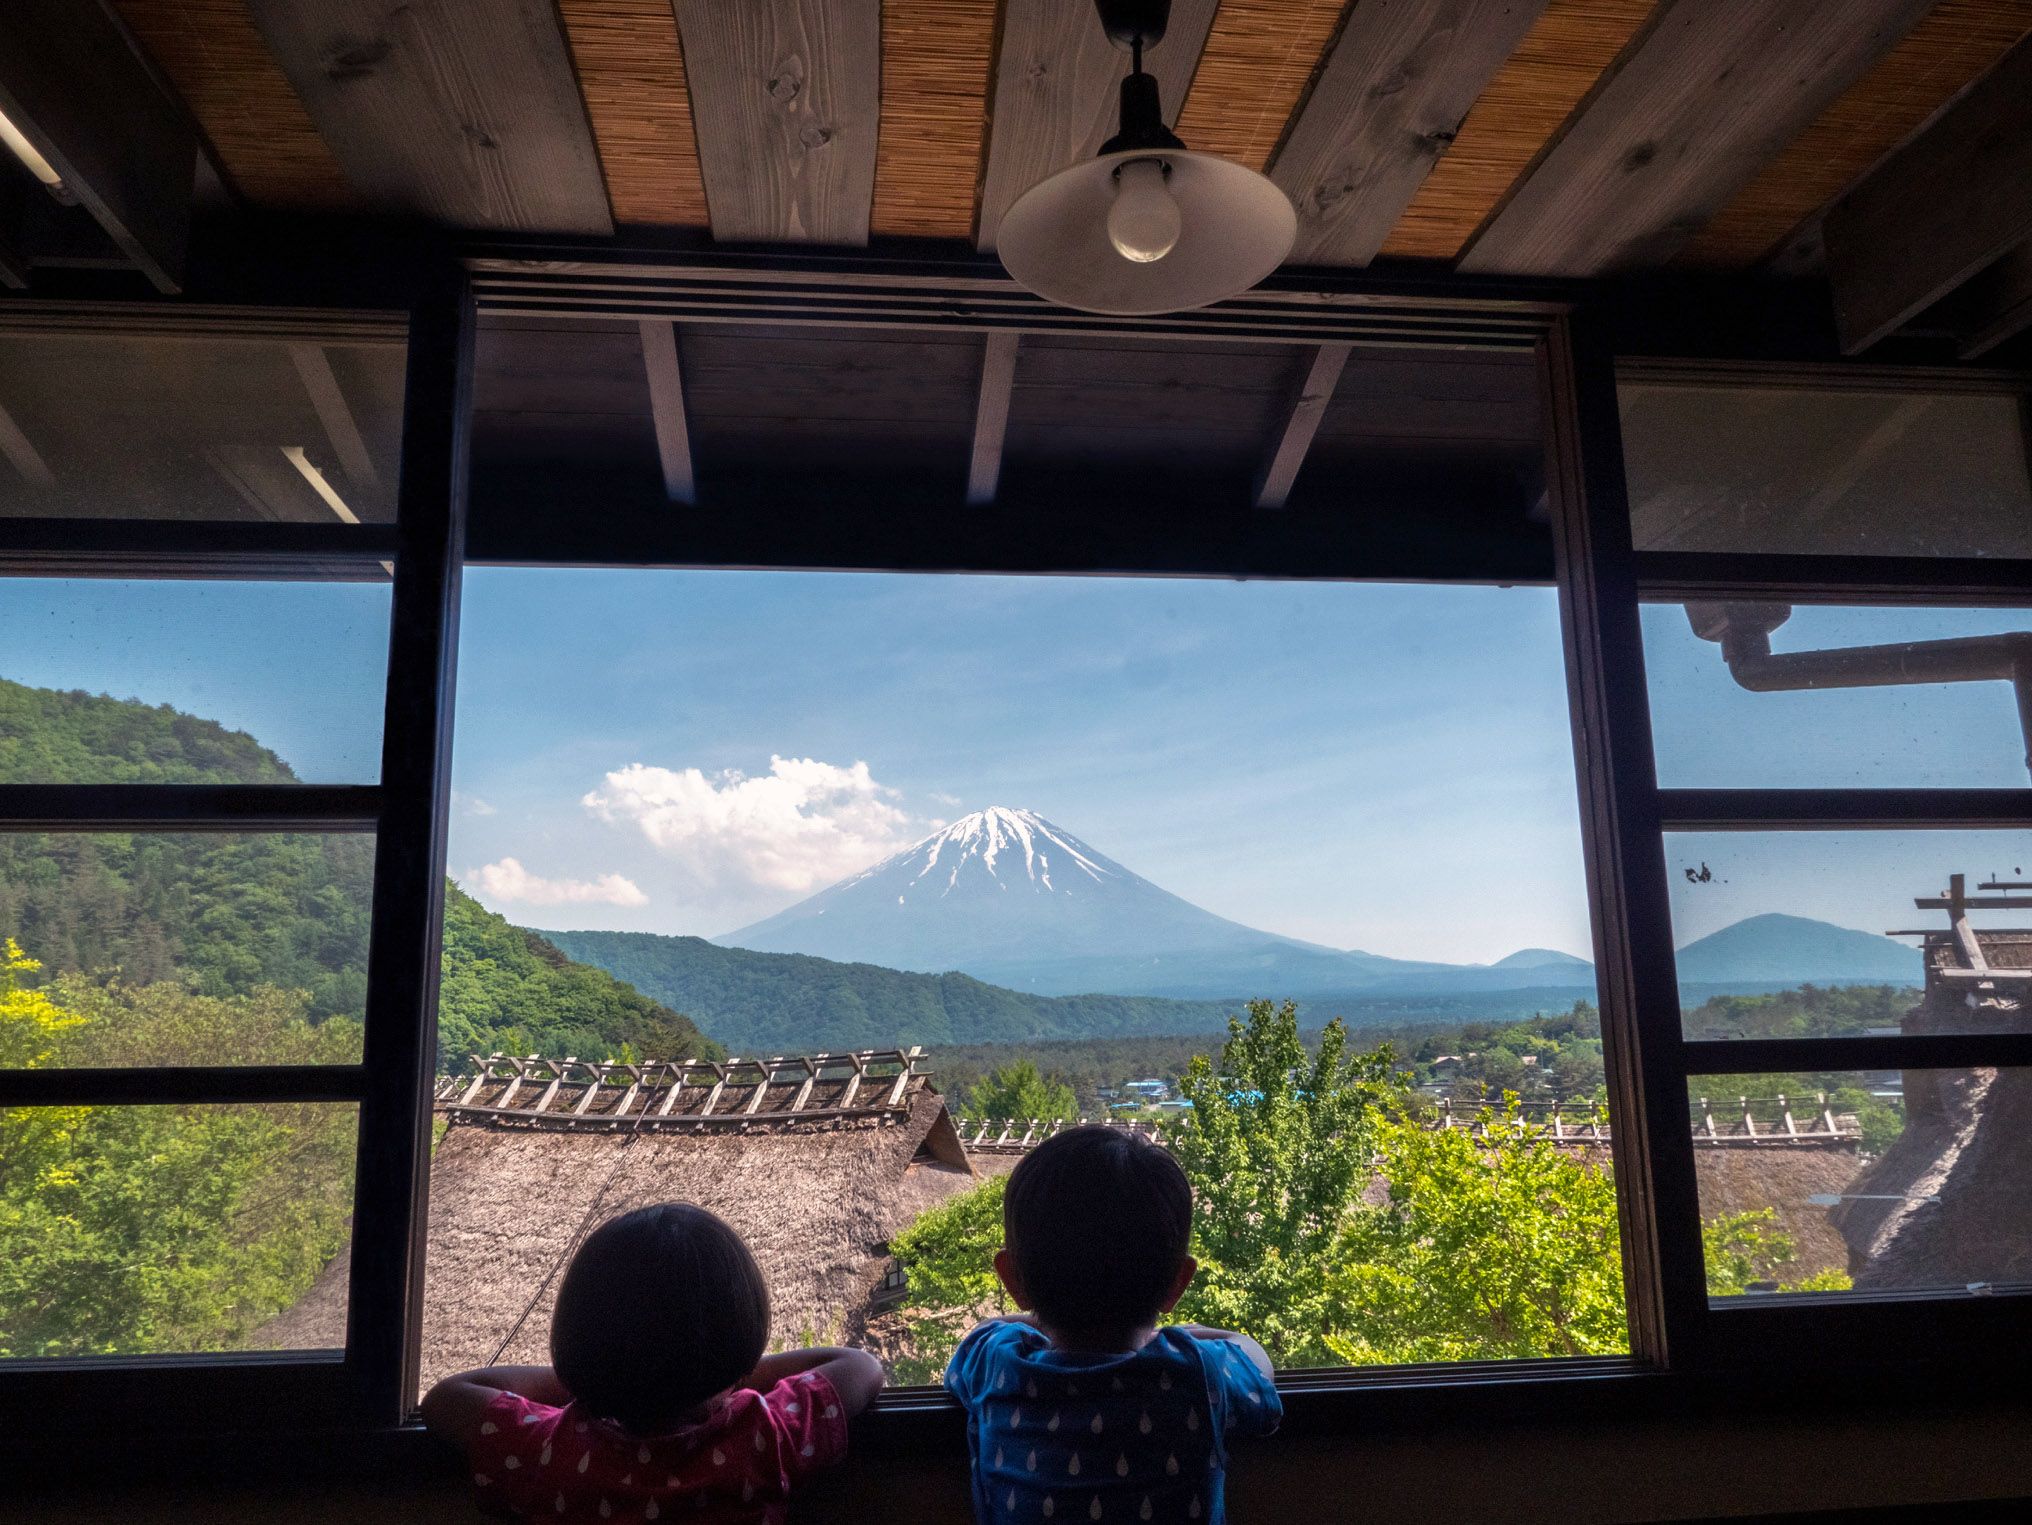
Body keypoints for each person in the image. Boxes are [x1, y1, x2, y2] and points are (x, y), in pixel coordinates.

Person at [422, 1202, 885, 1524]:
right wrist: (733, 1371)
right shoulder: (764, 1438)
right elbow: (859, 1366)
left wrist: (597, 1379)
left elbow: (446, 1398)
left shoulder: (548, 1451)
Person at [945, 1126, 1280, 1525]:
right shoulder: (1198, 1372)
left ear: (1012, 1278)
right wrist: (1178, 1336)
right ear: (1178, 1283)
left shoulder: (995, 1364)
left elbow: (985, 1329)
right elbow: (1257, 1362)